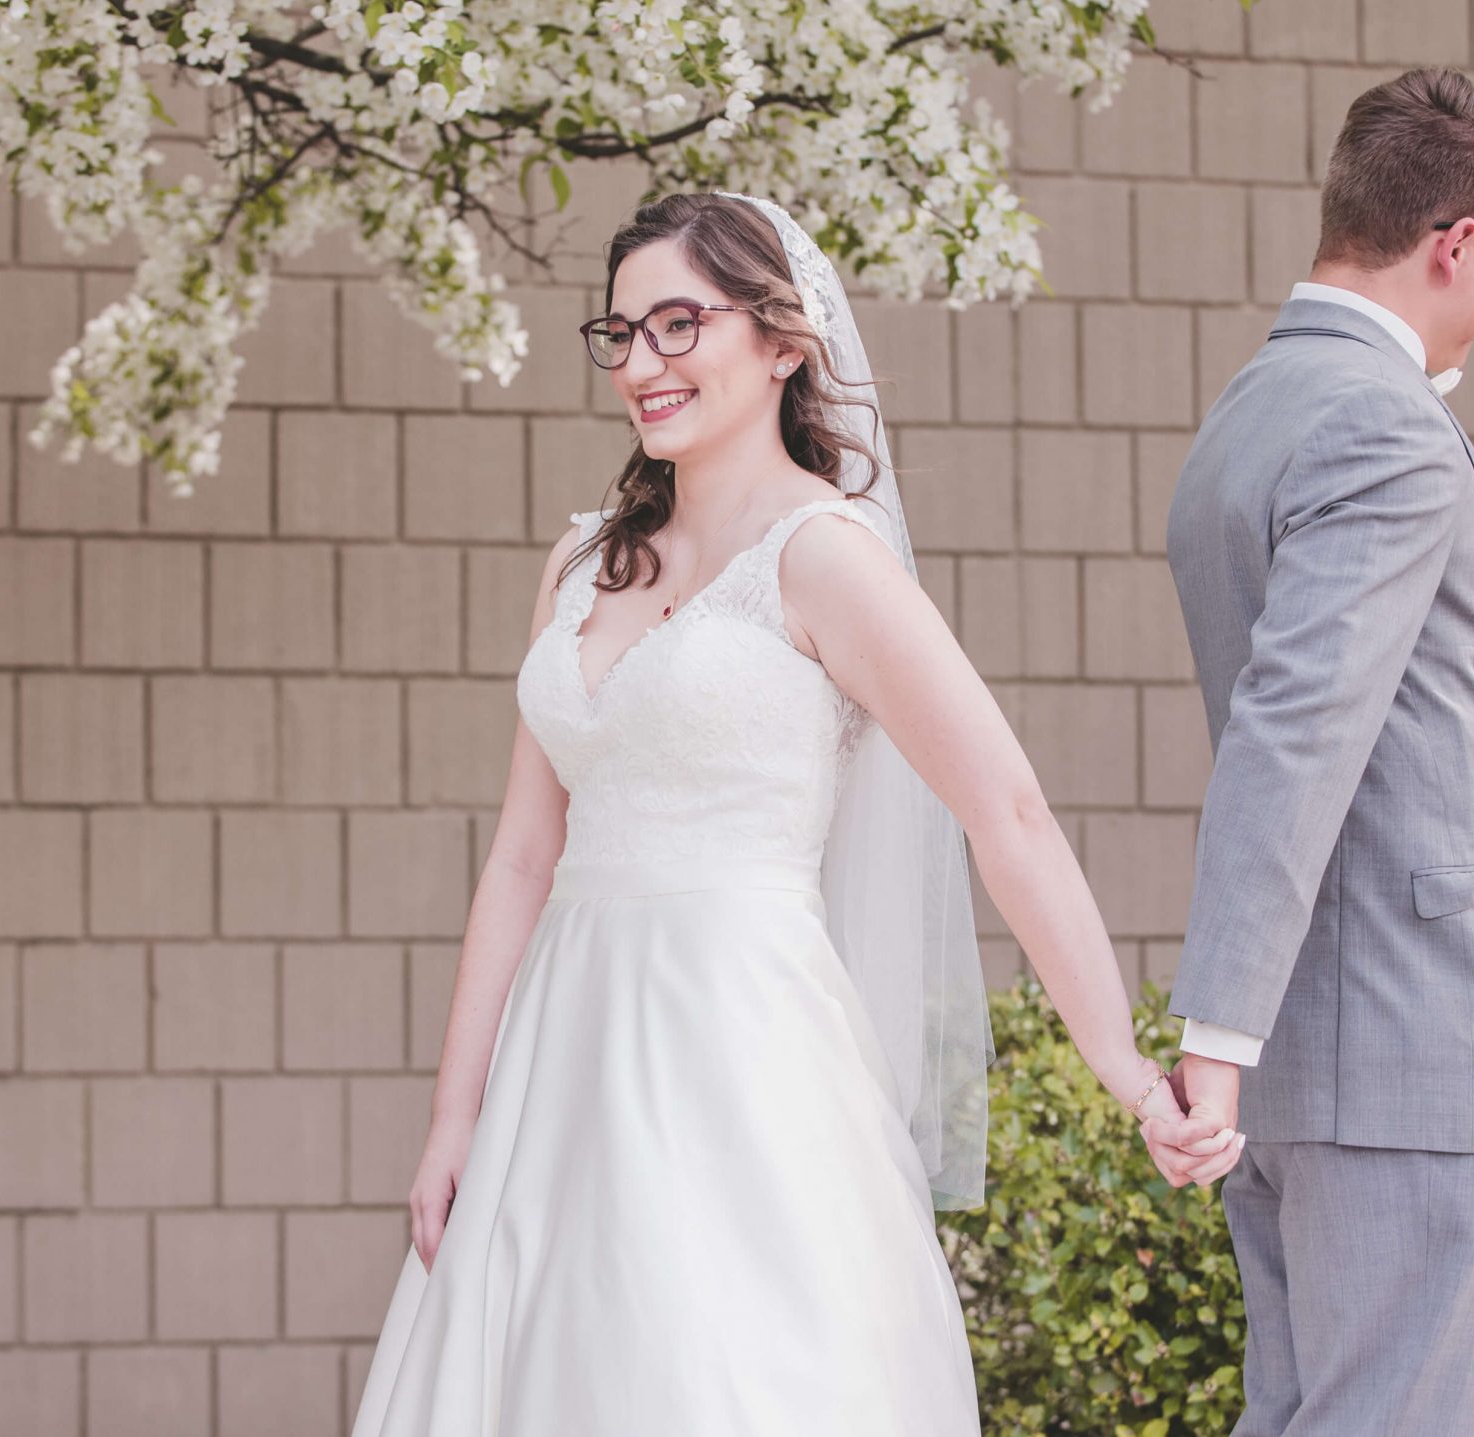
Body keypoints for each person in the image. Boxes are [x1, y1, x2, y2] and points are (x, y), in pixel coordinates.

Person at [348, 191, 1232, 1436]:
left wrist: (1130, 1074)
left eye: (677, 325)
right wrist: (455, 1115)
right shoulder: (580, 562)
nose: (644, 365)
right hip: (560, 1055)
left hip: (739, 1049)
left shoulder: (824, 559)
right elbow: (520, 857)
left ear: (780, 340)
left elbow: (1010, 813)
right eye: (622, 334)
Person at [1161, 67, 1474, 1435]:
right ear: (1459, 242)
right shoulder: (1386, 422)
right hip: (1394, 1059)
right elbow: (1296, 732)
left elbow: (1394, 739)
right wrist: (1210, 1030)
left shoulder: (1247, 415)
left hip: (1319, 1048)